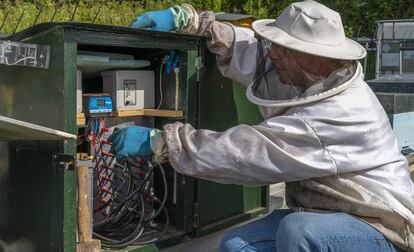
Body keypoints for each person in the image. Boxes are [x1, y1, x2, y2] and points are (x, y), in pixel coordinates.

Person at [109, 1, 414, 251]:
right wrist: (196, 23)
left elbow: (246, 152)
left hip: (380, 223)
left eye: (283, 48)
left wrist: (162, 143)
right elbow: (251, 53)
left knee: (299, 233)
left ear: (315, 57)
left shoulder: (341, 112)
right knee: (236, 245)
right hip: (324, 212)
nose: (273, 53)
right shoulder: (309, 73)